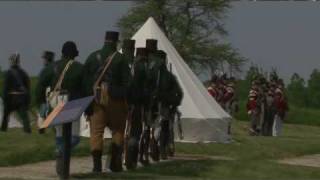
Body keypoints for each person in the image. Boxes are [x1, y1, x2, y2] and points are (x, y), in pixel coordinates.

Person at [83, 31, 130, 172]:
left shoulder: (92, 57)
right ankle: (115, 165)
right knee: (117, 131)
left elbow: (85, 83)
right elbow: (127, 83)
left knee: (96, 133)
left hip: (95, 99)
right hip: (115, 99)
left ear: (104, 40)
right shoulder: (121, 59)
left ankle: (97, 166)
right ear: (116, 42)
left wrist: (88, 103)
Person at [50, 41, 83, 177]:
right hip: (73, 103)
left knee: (59, 134)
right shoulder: (79, 67)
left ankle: (60, 152)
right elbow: (86, 87)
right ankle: (61, 151)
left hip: (55, 102)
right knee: (74, 137)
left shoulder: (53, 66)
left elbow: (41, 83)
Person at [126, 47, 148, 169]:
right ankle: (131, 160)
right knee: (135, 132)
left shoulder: (129, 66)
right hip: (137, 103)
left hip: (124, 102)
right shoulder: (142, 68)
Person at [1, 53, 31, 134]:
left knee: (5, 115)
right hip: (21, 98)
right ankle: (27, 131)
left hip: (11, 99)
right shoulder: (23, 73)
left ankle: (3, 130)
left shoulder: (8, 73)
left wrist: (5, 99)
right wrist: (27, 99)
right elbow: (27, 86)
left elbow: (5, 88)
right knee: (24, 116)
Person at [35, 51, 55, 134]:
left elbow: (40, 85)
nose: (43, 60)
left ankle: (41, 128)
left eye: (44, 58)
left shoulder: (45, 70)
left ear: (47, 59)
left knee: (43, 112)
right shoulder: (57, 66)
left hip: (49, 93)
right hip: (59, 93)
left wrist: (39, 97)